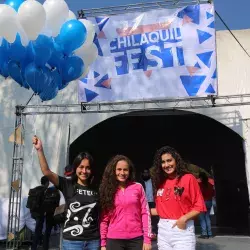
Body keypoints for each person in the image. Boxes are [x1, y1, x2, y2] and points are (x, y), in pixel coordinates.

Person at [32, 136, 100, 250]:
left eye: (87, 168)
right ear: (75, 168)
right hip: (72, 242)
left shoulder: (96, 188)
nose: (84, 171)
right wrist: (39, 150)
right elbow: (46, 172)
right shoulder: (67, 185)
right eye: (81, 167)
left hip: (93, 241)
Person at [150, 146, 206, 250]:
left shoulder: (188, 178)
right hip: (162, 230)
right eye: (163, 162)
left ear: (176, 161)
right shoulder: (160, 183)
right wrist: (141, 210)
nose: (166, 165)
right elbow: (161, 209)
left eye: (169, 160)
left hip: (182, 229)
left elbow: (199, 206)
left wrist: (184, 218)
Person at [99, 155, 152, 250]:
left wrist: (147, 239)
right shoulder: (107, 190)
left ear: (129, 171)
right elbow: (104, 219)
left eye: (125, 170)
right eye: (119, 169)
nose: (122, 173)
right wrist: (103, 244)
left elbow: (145, 213)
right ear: (113, 171)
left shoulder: (138, 187)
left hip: (136, 239)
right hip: (114, 240)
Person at [31, 176, 60, 250]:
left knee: (38, 230)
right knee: (43, 231)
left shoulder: (36, 189)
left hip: (36, 213)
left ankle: (36, 246)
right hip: (44, 213)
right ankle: (42, 247)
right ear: (47, 182)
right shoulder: (46, 190)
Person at [139, 168, 159, 238]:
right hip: (144, 202)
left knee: (155, 218)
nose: (146, 174)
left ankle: (155, 232)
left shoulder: (153, 182)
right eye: (144, 173)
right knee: (145, 217)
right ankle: (145, 233)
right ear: (142, 174)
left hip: (153, 202)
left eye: (147, 173)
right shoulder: (140, 182)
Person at [198, 172, 215, 239]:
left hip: (202, 202)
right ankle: (210, 234)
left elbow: (199, 194)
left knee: (202, 219)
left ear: (201, 177)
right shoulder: (210, 184)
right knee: (207, 217)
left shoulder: (200, 185)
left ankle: (204, 234)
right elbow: (213, 193)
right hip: (209, 202)